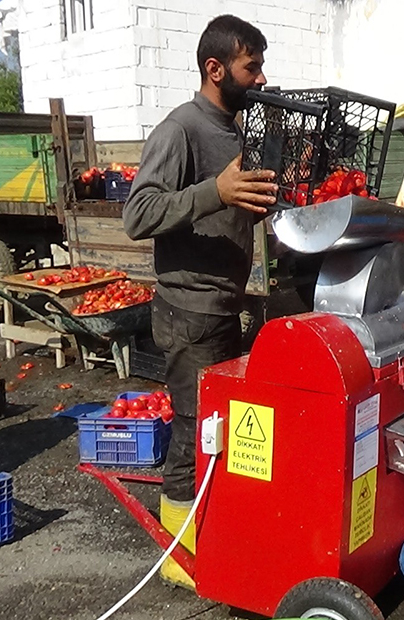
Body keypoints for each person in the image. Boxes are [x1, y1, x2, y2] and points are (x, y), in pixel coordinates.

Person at [123, 14, 277, 590]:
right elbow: (138, 214)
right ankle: (181, 558)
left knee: (221, 427)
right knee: (192, 429)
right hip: (189, 311)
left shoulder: (237, 130)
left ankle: (214, 532)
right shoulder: (180, 130)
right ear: (216, 69)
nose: (260, 77)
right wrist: (215, 192)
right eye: (250, 66)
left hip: (225, 304)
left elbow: (232, 204)